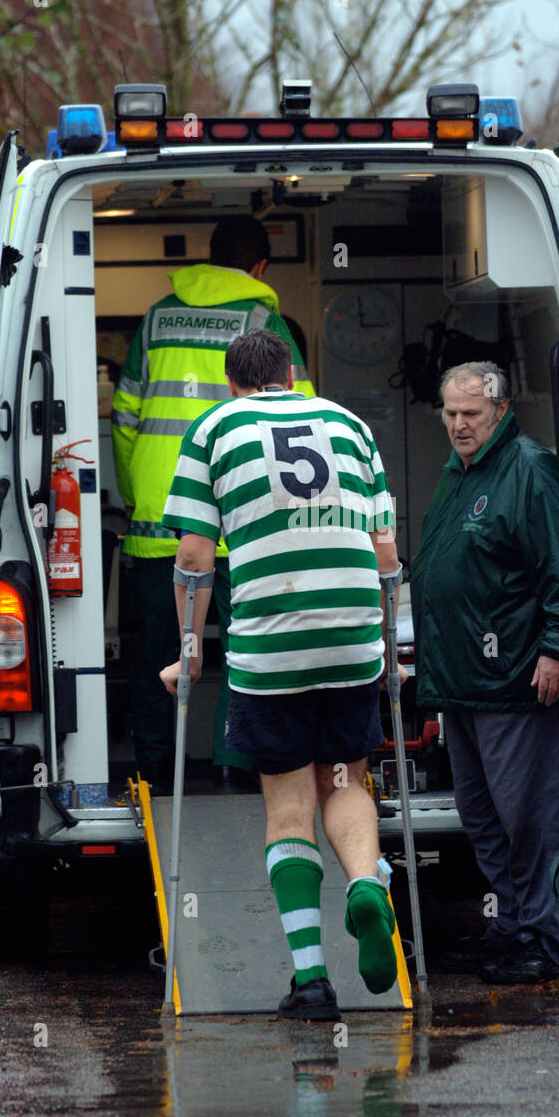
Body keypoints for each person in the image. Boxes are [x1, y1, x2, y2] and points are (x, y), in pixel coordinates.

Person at [158, 328, 401, 1020]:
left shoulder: (214, 429)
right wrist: (386, 643)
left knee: (288, 806)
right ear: (294, 373)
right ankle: (364, 886)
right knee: (346, 779)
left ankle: (312, 982)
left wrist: (190, 648)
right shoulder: (346, 423)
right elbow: (385, 546)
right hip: (352, 639)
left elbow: (196, 553)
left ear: (231, 382)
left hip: (273, 647)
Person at [411, 362, 559, 984]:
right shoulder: (459, 473)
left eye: (471, 414)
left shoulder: (530, 468)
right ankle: (508, 925)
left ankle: (543, 938)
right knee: (484, 816)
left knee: (531, 816)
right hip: (463, 683)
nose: (459, 425)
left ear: (499, 410)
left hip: (518, 678)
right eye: (450, 414)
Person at [111, 216, 314, 791]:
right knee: (248, 647)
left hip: (164, 527)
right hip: (249, 527)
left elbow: (124, 419)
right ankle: (235, 764)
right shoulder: (263, 321)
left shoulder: (157, 317)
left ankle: (151, 770)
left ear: (208, 257)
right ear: (261, 267)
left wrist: (140, 497)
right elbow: (299, 422)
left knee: (165, 650)